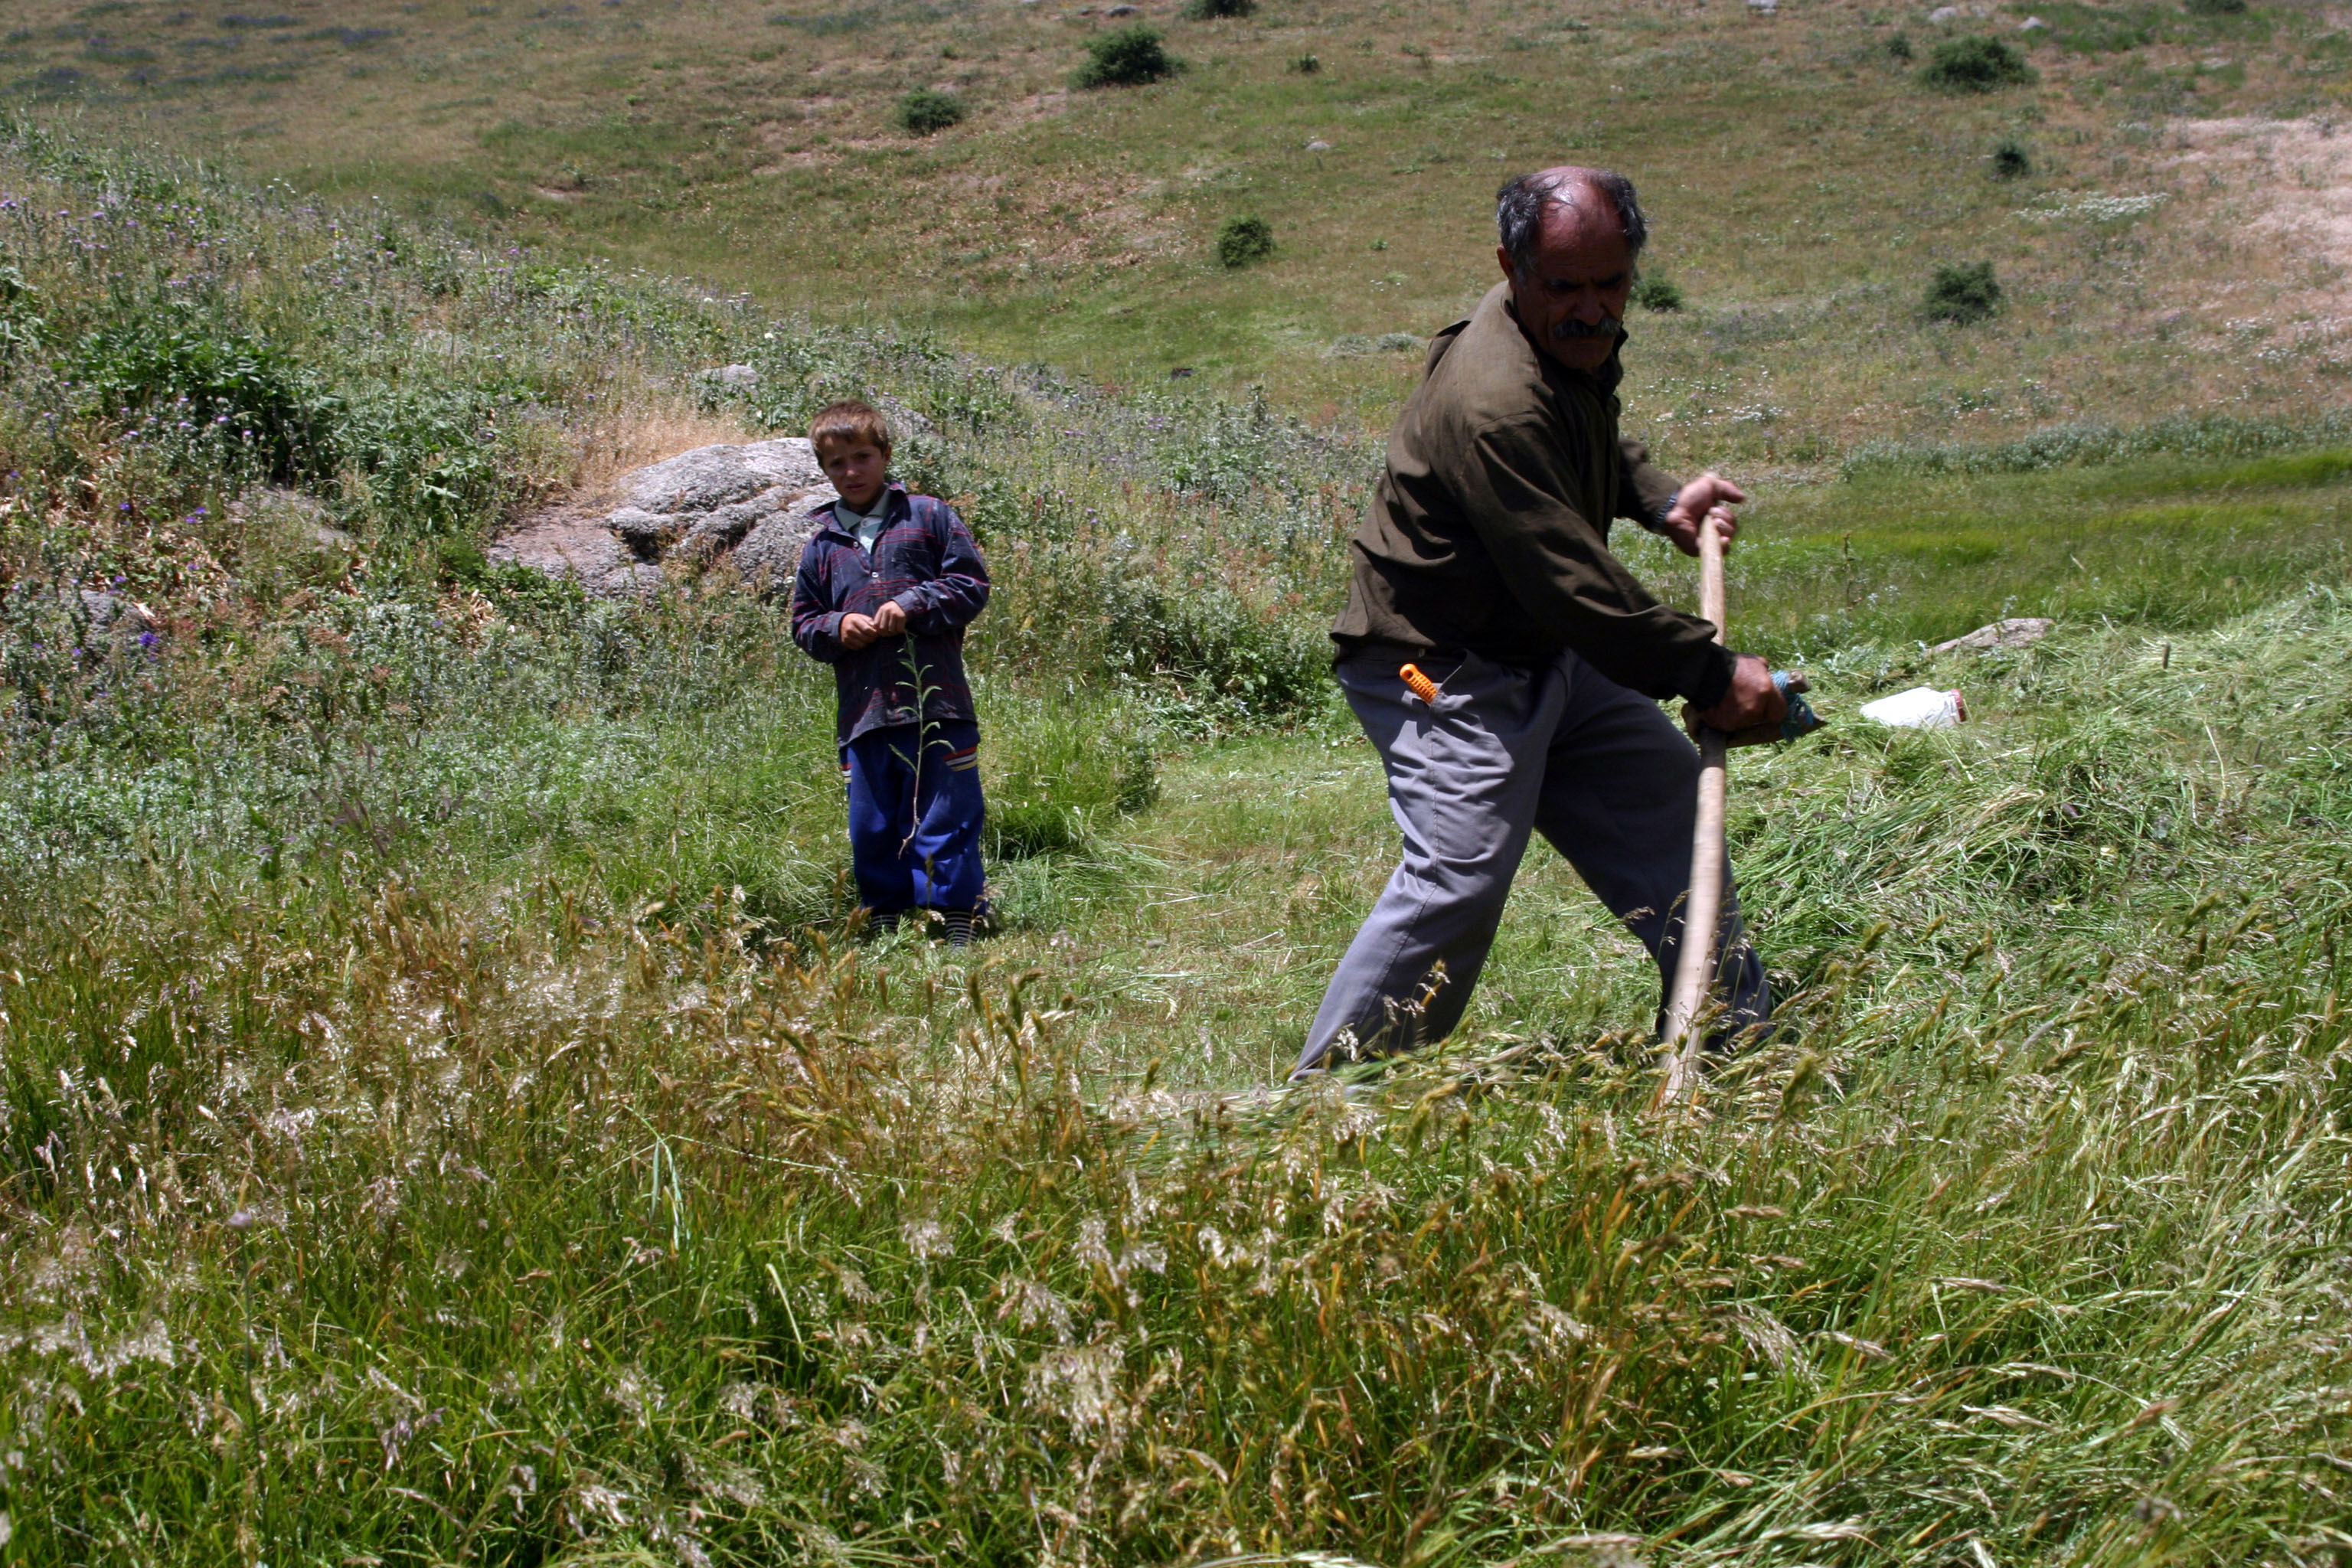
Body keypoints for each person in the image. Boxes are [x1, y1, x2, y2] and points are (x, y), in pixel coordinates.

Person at [1295, 165, 1788, 1075]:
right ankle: (1330, 1104)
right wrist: (1715, 676)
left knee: (1671, 804)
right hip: (1446, 665)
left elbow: (1587, 428)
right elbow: (1576, 588)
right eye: (1567, 286)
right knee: (1461, 874)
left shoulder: (1561, 336)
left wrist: (1660, 498)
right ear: (1512, 268)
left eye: (1612, 283)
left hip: (1543, 645)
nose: (1593, 309)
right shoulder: (1493, 399)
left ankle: (1734, 1032)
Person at [789, 400, 992, 946]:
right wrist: (838, 625)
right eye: (836, 464)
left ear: (885, 456)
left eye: (861, 457)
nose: (851, 472)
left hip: (938, 702)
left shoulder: (928, 516)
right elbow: (804, 624)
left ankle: (958, 918)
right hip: (865, 711)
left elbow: (971, 586)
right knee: (872, 822)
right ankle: (882, 917)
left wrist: (915, 603)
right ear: (823, 470)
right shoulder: (822, 545)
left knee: (947, 811)